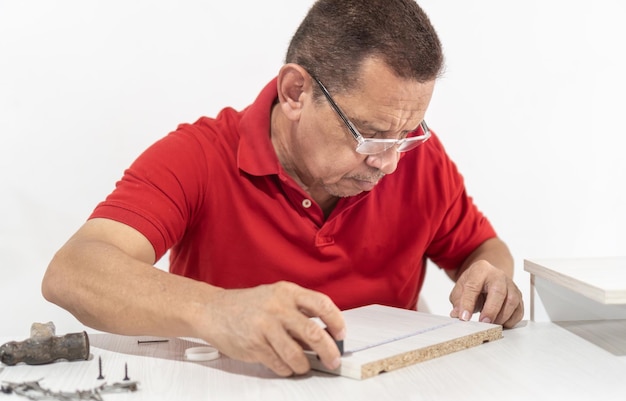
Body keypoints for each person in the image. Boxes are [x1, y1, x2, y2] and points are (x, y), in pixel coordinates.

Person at [42, 0, 524, 377]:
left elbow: (481, 249)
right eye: (368, 134)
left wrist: (493, 276)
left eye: (407, 133)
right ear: (296, 92)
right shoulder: (200, 155)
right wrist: (217, 310)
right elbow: (74, 272)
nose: (390, 161)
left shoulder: (416, 157)